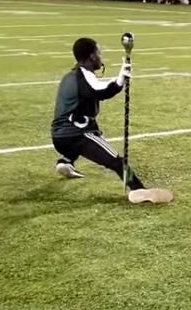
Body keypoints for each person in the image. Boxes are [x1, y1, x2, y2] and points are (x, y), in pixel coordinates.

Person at [51, 38, 173, 204]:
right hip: (76, 135)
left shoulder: (70, 75)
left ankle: (66, 161)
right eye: (99, 53)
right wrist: (120, 79)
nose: (101, 57)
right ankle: (138, 189)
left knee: (90, 133)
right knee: (117, 161)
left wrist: (118, 79)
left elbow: (92, 90)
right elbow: (99, 91)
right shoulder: (83, 77)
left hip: (59, 137)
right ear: (92, 56)